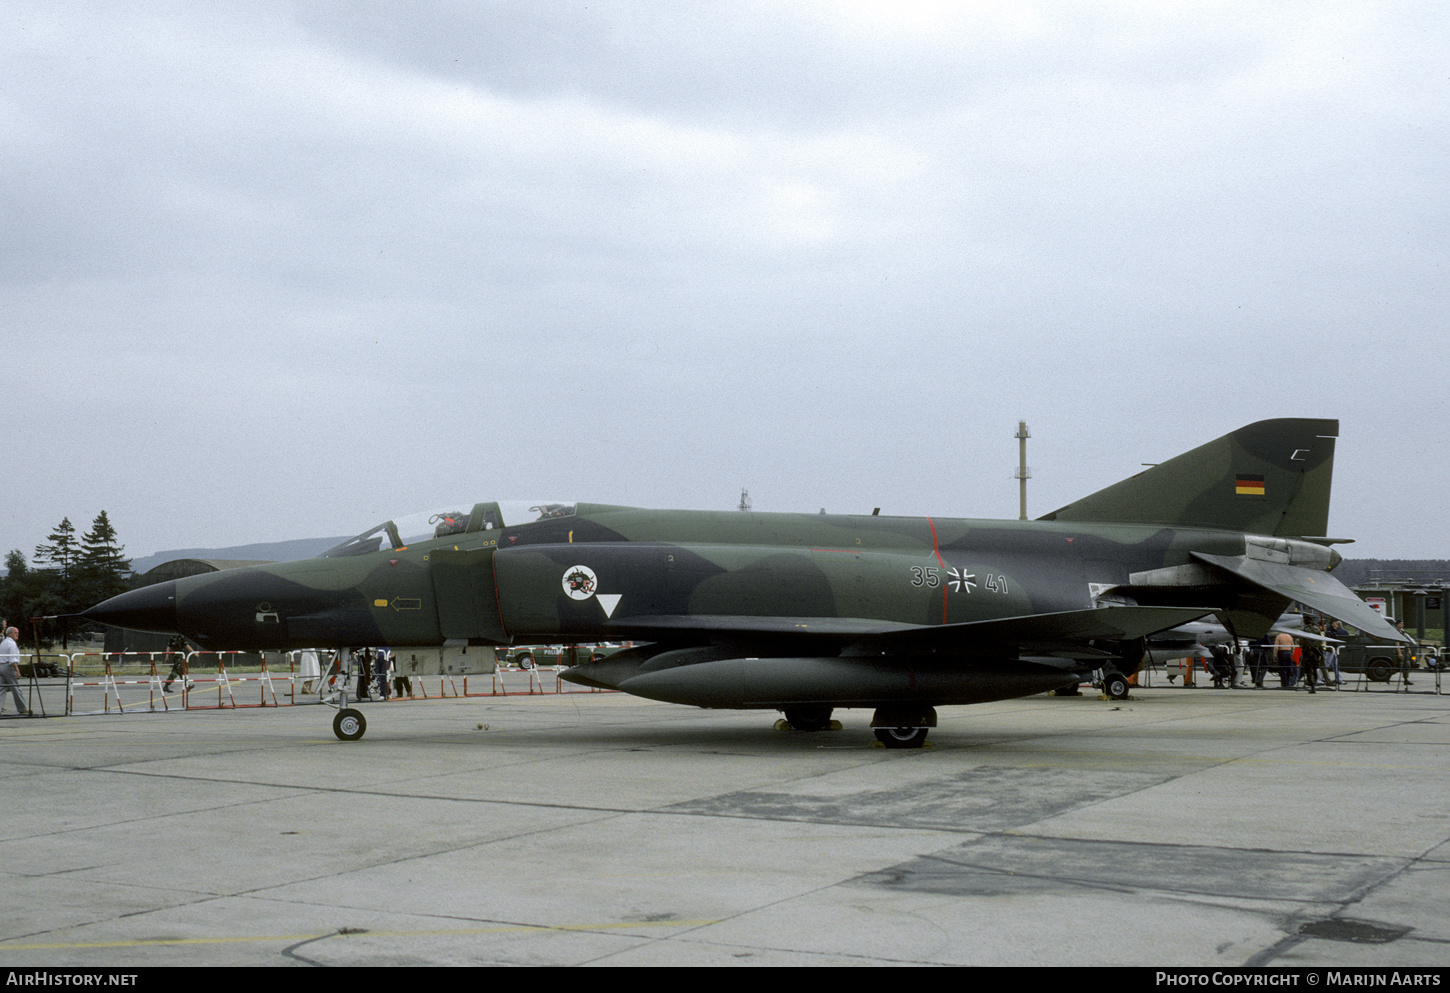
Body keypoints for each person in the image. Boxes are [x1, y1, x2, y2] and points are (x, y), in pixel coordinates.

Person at [1, 627, 30, 715]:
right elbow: (13, 660)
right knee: (16, 688)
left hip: (1, 666)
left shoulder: (3, 643)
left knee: (1, 689)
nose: (17, 634)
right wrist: (17, 671)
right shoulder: (12, 644)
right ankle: (22, 708)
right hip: (9, 667)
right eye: (15, 632)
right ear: (9, 633)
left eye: (17, 632)